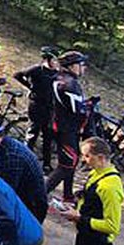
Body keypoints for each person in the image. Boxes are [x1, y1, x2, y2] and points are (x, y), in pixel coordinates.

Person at [0, 119, 48, 223]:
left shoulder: (10, 156)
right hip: (24, 201)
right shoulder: (5, 147)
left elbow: (5, 193)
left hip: (31, 208)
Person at [47, 50, 89, 203]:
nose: (84, 68)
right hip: (65, 129)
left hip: (62, 127)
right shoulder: (69, 83)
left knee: (71, 161)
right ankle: (40, 193)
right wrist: (89, 106)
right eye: (81, 64)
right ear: (72, 66)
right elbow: (78, 109)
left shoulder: (60, 78)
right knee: (66, 165)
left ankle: (68, 195)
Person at [14, 46, 60, 170]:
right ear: (48, 59)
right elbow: (17, 75)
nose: (57, 63)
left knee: (48, 136)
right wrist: (30, 87)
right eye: (55, 60)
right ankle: (24, 161)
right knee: (32, 133)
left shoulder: (56, 73)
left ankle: (46, 164)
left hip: (50, 108)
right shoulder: (36, 69)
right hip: (36, 105)